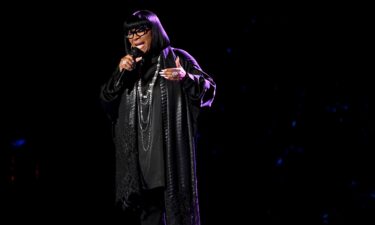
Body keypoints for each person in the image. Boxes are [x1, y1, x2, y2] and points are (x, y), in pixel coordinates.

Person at [100, 10, 216, 225]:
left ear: (155, 30)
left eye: (139, 30)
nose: (134, 37)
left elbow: (209, 91)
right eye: (129, 33)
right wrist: (119, 72)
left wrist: (186, 77)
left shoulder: (178, 57)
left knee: (178, 216)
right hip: (140, 163)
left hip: (170, 157)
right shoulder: (129, 66)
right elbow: (107, 102)